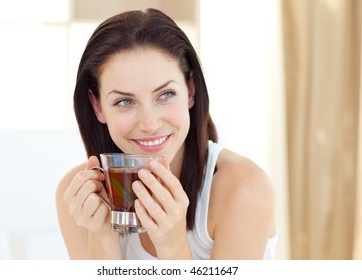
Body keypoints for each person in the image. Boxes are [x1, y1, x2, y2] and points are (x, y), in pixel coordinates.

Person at [56, 8, 277, 260]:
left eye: (165, 95)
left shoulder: (243, 190)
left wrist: (172, 243)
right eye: (124, 102)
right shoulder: (79, 196)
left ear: (191, 90)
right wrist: (102, 234)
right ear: (97, 106)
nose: (149, 124)